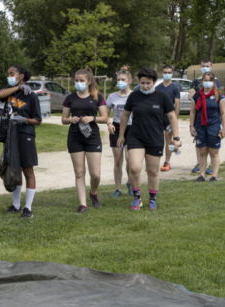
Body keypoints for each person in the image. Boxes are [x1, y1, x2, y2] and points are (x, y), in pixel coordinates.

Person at [117, 68, 181, 211]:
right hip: (135, 136)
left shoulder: (162, 97)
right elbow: (125, 116)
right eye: (142, 83)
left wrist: (176, 138)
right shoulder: (133, 96)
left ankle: (152, 199)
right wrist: (121, 136)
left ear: (154, 82)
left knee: (152, 171)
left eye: (148, 83)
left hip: (155, 137)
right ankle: (136, 198)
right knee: (134, 167)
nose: (145, 86)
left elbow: (172, 117)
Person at [0, 65, 42, 218]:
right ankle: (16, 206)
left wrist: (25, 120)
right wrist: (18, 88)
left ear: (21, 75)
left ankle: (28, 208)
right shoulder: (10, 90)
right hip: (10, 135)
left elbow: (38, 120)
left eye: (12, 73)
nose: (9, 76)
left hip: (25, 134)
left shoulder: (32, 96)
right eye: (8, 73)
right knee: (14, 169)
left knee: (28, 171)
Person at [61, 68, 109, 213]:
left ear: (88, 82)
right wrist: (71, 119)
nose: (78, 83)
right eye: (76, 80)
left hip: (92, 137)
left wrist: (93, 118)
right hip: (75, 137)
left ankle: (93, 192)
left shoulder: (97, 97)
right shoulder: (70, 98)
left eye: (81, 80)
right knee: (79, 172)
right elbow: (63, 119)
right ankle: (83, 205)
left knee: (95, 174)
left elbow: (105, 117)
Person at [190, 72, 225, 183]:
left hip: (214, 126)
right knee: (202, 152)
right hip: (200, 126)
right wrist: (191, 126)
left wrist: (224, 128)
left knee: (214, 152)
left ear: (213, 82)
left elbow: (224, 113)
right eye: (205, 80)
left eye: (210, 80)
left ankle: (214, 176)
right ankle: (201, 175)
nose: (207, 82)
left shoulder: (219, 95)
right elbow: (192, 112)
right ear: (202, 82)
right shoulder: (197, 95)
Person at [189, 59, 221, 175]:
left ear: (211, 67)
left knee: (213, 147)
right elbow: (191, 95)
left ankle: (212, 168)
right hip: (199, 116)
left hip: (212, 119)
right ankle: (200, 164)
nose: (205, 68)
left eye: (207, 66)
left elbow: (217, 96)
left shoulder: (216, 81)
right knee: (200, 145)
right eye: (203, 66)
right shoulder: (195, 81)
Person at [106, 69, 133, 198]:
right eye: (118, 80)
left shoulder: (134, 95)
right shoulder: (112, 96)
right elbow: (105, 114)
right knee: (118, 161)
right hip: (116, 129)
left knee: (130, 160)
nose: (120, 82)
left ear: (129, 81)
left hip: (132, 129)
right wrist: (109, 124)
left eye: (123, 80)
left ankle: (130, 182)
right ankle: (118, 188)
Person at [155, 65, 181, 172]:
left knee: (168, 139)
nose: (167, 74)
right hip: (158, 117)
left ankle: (167, 161)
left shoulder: (175, 88)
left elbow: (177, 105)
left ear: (172, 74)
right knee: (157, 139)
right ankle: (155, 160)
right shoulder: (158, 87)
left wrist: (174, 120)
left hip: (169, 118)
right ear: (162, 73)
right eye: (165, 72)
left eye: (169, 72)